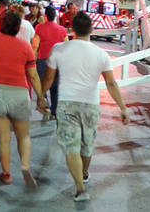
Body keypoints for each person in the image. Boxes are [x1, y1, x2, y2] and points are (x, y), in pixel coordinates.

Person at [41, 11, 130, 202]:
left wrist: (41, 96)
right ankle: (83, 175)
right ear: (91, 29)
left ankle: (80, 189)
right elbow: (111, 83)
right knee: (86, 145)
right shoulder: (101, 54)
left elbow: (48, 77)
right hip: (90, 105)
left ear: (72, 29)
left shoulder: (59, 49)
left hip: (66, 104)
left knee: (71, 146)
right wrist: (122, 108)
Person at [0, 9, 47, 186]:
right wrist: (41, 97)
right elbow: (33, 75)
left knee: (3, 137)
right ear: (18, 27)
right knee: (23, 136)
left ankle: (6, 173)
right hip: (19, 93)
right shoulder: (25, 47)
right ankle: (25, 166)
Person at [34, 6, 68, 119]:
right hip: (57, 62)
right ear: (55, 16)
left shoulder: (39, 27)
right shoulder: (62, 30)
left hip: (43, 60)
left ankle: (46, 108)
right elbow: (66, 46)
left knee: (42, 87)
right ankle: (54, 112)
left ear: (45, 16)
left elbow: (35, 45)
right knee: (55, 87)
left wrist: (33, 58)